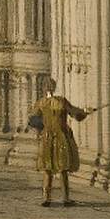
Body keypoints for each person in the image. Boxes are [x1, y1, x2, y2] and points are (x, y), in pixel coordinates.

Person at [30, 78, 92, 207]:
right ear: (54, 87)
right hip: (61, 137)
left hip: (47, 138)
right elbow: (75, 114)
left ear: (43, 88)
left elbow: (34, 121)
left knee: (48, 168)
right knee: (62, 168)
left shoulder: (40, 103)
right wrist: (85, 111)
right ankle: (65, 198)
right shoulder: (61, 102)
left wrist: (41, 132)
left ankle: (46, 198)